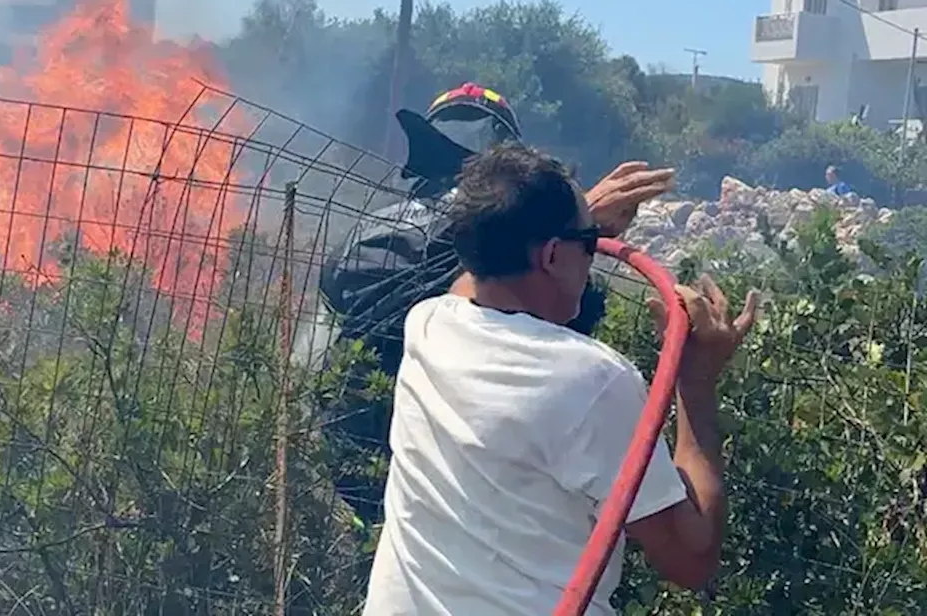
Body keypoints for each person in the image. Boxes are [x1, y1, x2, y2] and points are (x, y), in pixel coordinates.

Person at [362, 143, 759, 615]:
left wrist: (575, 228)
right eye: (588, 245)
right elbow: (690, 559)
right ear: (551, 256)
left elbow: (475, 281)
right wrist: (695, 382)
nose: (593, 254)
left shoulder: (428, 324)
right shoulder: (595, 382)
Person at [293, 83, 676, 523]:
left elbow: (313, 355)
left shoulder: (371, 230)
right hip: (453, 492)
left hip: (352, 467)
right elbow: (564, 326)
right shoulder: (474, 252)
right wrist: (572, 229)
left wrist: (566, 233)